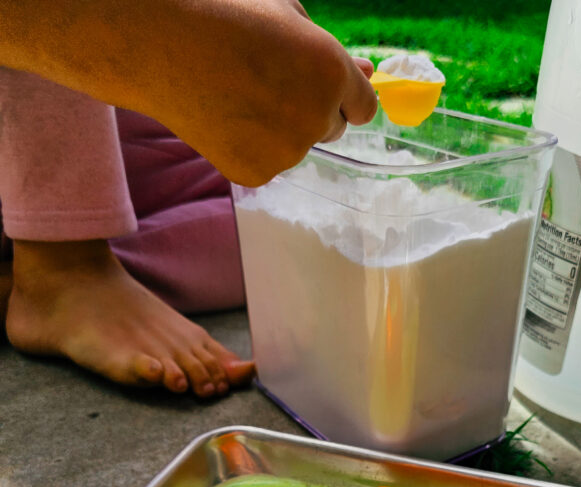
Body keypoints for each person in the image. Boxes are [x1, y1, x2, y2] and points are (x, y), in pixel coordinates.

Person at [0, 0, 377, 396]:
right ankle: (63, 266)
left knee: (292, 235)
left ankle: (39, 278)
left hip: (112, 149)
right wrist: (172, 30)